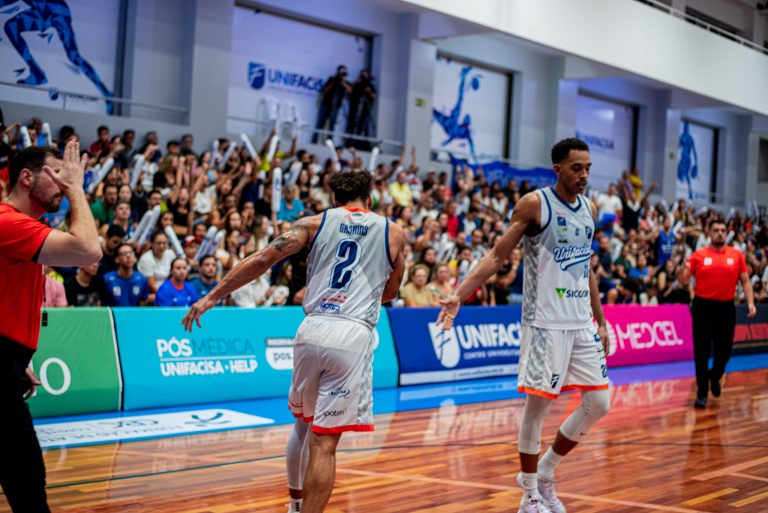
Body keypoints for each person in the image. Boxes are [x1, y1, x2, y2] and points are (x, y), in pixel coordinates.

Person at [182, 171, 405, 513]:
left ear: (334, 200)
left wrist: (211, 297)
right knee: (324, 444)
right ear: (370, 199)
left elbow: (262, 259)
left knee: (301, 425)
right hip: (351, 332)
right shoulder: (393, 232)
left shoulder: (314, 223)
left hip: (311, 328)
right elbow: (392, 290)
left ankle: (294, 504)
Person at [436, 138, 611, 513]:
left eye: (588, 168)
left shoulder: (589, 208)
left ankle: (545, 471)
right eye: (577, 168)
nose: (584, 175)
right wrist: (459, 295)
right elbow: (497, 256)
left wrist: (601, 320)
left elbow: (586, 269)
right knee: (537, 410)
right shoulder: (535, 204)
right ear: (558, 169)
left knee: (599, 403)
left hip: (581, 323)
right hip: (545, 323)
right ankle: (530, 495)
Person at [0, 141, 100, 512]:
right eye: (56, 174)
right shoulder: (8, 222)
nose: (62, 182)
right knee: (26, 480)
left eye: (65, 176)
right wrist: (76, 188)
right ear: (26, 178)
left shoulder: (21, 226)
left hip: (7, 360)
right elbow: (88, 251)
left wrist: (14, 358)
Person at [685, 219, 756, 408]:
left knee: (725, 351)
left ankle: (714, 376)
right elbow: (684, 278)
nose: (720, 233)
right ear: (709, 233)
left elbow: (745, 281)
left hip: (726, 308)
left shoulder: (736, 255)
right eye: (716, 230)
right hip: (703, 307)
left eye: (723, 230)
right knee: (701, 351)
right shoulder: (699, 255)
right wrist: (683, 269)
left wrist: (750, 303)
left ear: (726, 233)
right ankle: (702, 393)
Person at [312, 65, 351, 144]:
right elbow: (325, 90)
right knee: (320, 123)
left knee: (332, 125)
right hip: (326, 104)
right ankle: (314, 141)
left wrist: (342, 81)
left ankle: (329, 142)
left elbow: (350, 91)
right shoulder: (331, 79)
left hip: (336, 106)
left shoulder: (345, 82)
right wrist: (334, 81)